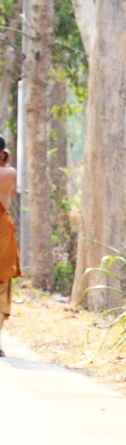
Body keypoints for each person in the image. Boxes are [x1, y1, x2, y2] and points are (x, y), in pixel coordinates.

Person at [0, 143, 22, 357]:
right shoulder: (8, 173)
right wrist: (5, 163)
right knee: (2, 285)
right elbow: (12, 191)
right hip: (1, 232)